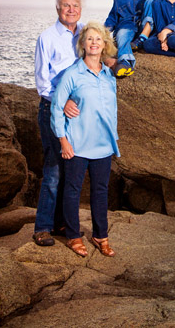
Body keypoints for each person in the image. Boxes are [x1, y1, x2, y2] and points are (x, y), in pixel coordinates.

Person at [51, 22, 120, 258]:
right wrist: (64, 141)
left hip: (103, 146)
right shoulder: (72, 74)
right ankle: (73, 236)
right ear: (83, 44)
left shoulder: (109, 75)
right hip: (77, 145)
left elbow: (111, 111)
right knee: (72, 191)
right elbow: (56, 108)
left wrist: (114, 141)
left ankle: (101, 235)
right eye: (89, 39)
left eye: (98, 39)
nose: (93, 43)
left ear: (104, 45)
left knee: (100, 192)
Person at [32, 0, 84, 247]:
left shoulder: (86, 33)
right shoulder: (48, 37)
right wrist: (61, 103)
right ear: (58, 9)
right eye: (66, 5)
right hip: (53, 109)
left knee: (71, 168)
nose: (71, 9)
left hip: (77, 112)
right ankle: (42, 227)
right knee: (53, 170)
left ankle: (63, 222)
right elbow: (42, 82)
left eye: (75, 5)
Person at [105, 0, 153, 77]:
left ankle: (141, 40)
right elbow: (113, 16)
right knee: (122, 34)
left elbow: (151, 17)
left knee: (152, 2)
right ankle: (126, 62)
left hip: (142, 30)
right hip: (125, 28)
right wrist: (104, 32)